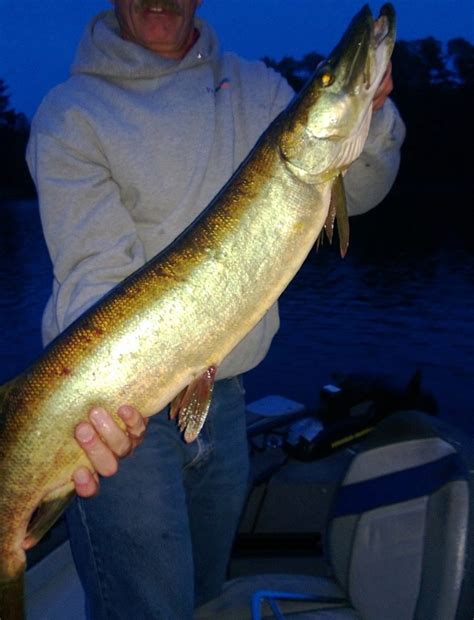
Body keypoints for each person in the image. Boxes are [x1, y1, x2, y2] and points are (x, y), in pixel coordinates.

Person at [26, 0, 405, 618]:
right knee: (149, 606)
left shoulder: (257, 88)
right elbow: (93, 272)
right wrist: (104, 400)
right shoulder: (71, 115)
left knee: (203, 592)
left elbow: (357, 190)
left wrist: (373, 108)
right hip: (121, 405)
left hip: (223, 393)